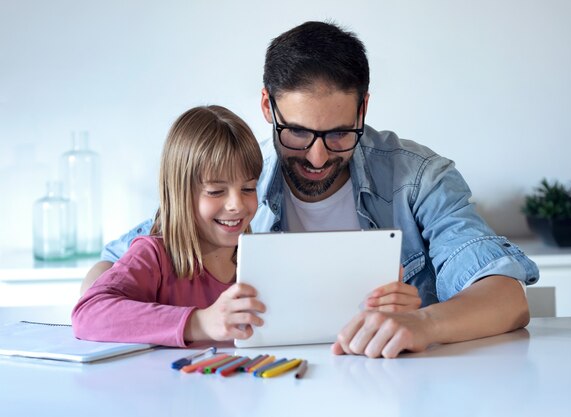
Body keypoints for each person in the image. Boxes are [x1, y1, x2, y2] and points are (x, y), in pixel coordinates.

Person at [81, 21, 540, 357]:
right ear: (268, 106)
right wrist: (188, 320)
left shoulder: (418, 179)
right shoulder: (235, 174)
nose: (317, 157)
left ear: (362, 111)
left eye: (339, 133)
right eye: (298, 133)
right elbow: (105, 276)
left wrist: (422, 322)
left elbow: (507, 297)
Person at [72, 105, 267, 346]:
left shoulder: (261, 261)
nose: (237, 204)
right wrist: (201, 322)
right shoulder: (154, 257)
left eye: (248, 189)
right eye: (216, 191)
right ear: (180, 194)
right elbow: (88, 314)